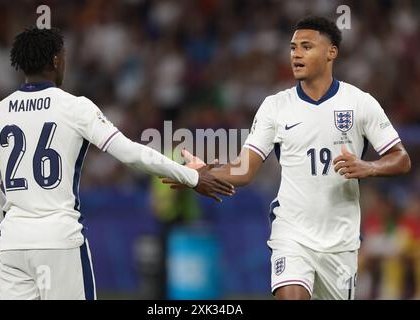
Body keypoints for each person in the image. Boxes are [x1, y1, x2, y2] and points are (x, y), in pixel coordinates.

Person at [0, 27, 234, 300]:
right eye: (63, 57)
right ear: (54, 61)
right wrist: (191, 176)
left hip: (11, 245)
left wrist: (18, 222)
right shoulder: (75, 107)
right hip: (59, 241)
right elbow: (131, 154)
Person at [164, 16, 411, 300]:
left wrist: (368, 167)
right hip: (292, 235)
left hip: (341, 242)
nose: (296, 54)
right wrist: (200, 173)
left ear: (331, 52)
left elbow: (401, 159)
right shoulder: (275, 107)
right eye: (293, 47)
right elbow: (244, 171)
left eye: (307, 47)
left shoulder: (360, 103)